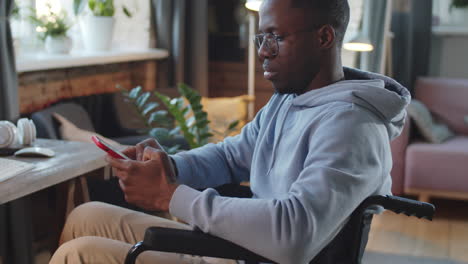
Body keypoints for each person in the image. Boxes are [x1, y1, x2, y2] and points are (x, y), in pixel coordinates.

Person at [50, 0, 410, 263]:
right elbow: (232, 154)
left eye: (276, 38)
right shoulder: (290, 99)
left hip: (259, 255)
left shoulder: (350, 125)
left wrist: (169, 197)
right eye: (261, 38)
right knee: (86, 215)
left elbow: (293, 235)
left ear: (324, 37)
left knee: (77, 255)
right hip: (244, 248)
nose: (264, 52)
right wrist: (170, 166)